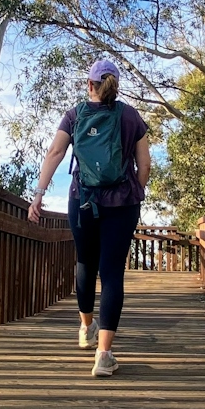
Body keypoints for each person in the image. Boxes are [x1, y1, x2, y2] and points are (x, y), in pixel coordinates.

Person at [28, 59, 151, 377]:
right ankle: (104, 355)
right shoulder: (130, 116)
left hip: (81, 201)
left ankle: (86, 328)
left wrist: (39, 194)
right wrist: (132, 193)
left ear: (89, 84)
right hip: (122, 204)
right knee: (111, 274)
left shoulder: (74, 115)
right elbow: (145, 165)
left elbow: (54, 153)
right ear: (115, 85)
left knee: (85, 263)